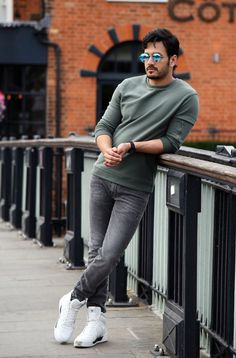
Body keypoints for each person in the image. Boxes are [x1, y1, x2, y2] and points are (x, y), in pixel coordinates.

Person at [54, 28, 199, 348]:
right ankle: (97, 323)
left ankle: (73, 299)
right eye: (145, 55)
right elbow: (104, 128)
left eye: (157, 56)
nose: (149, 61)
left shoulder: (186, 96)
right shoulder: (126, 86)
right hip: (103, 177)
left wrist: (132, 146)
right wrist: (107, 149)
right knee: (96, 253)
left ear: (173, 60)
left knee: (109, 253)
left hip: (135, 186)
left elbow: (172, 142)